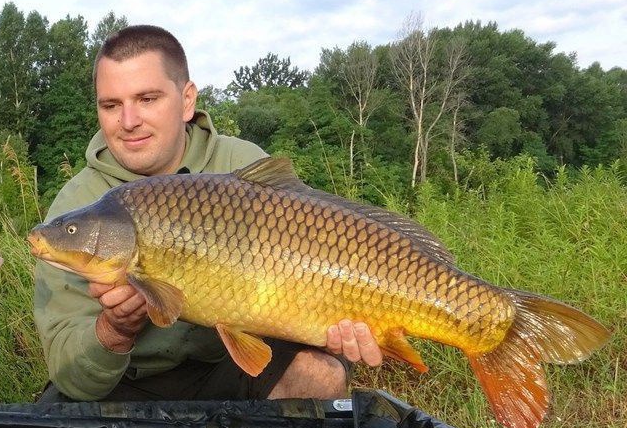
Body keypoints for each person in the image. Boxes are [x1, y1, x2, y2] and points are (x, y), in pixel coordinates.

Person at [34, 25, 382, 403]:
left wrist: (339, 334)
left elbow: (312, 274)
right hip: (126, 383)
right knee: (58, 411)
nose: (128, 120)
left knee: (320, 372)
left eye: (147, 99)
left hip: (227, 370)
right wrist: (115, 330)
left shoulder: (242, 166)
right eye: (111, 105)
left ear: (186, 100)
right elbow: (70, 372)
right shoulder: (77, 205)